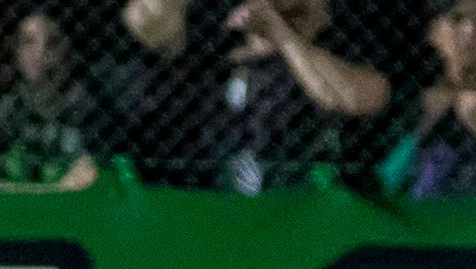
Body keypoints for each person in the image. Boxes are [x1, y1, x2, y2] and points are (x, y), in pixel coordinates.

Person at [121, 0, 389, 193]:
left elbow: (356, 97)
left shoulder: (341, 47)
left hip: (299, 209)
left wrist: (281, 35)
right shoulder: (216, 43)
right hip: (210, 207)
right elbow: (144, 20)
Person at [377, 0, 476, 199]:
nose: (470, 31)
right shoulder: (414, 95)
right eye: (457, 19)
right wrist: (424, 124)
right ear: (434, 32)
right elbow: (386, 181)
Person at [0, 10, 102, 191]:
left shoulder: (88, 112)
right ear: (16, 51)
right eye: (28, 42)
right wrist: (57, 189)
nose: (39, 52)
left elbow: (87, 180)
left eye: (51, 43)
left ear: (64, 49)